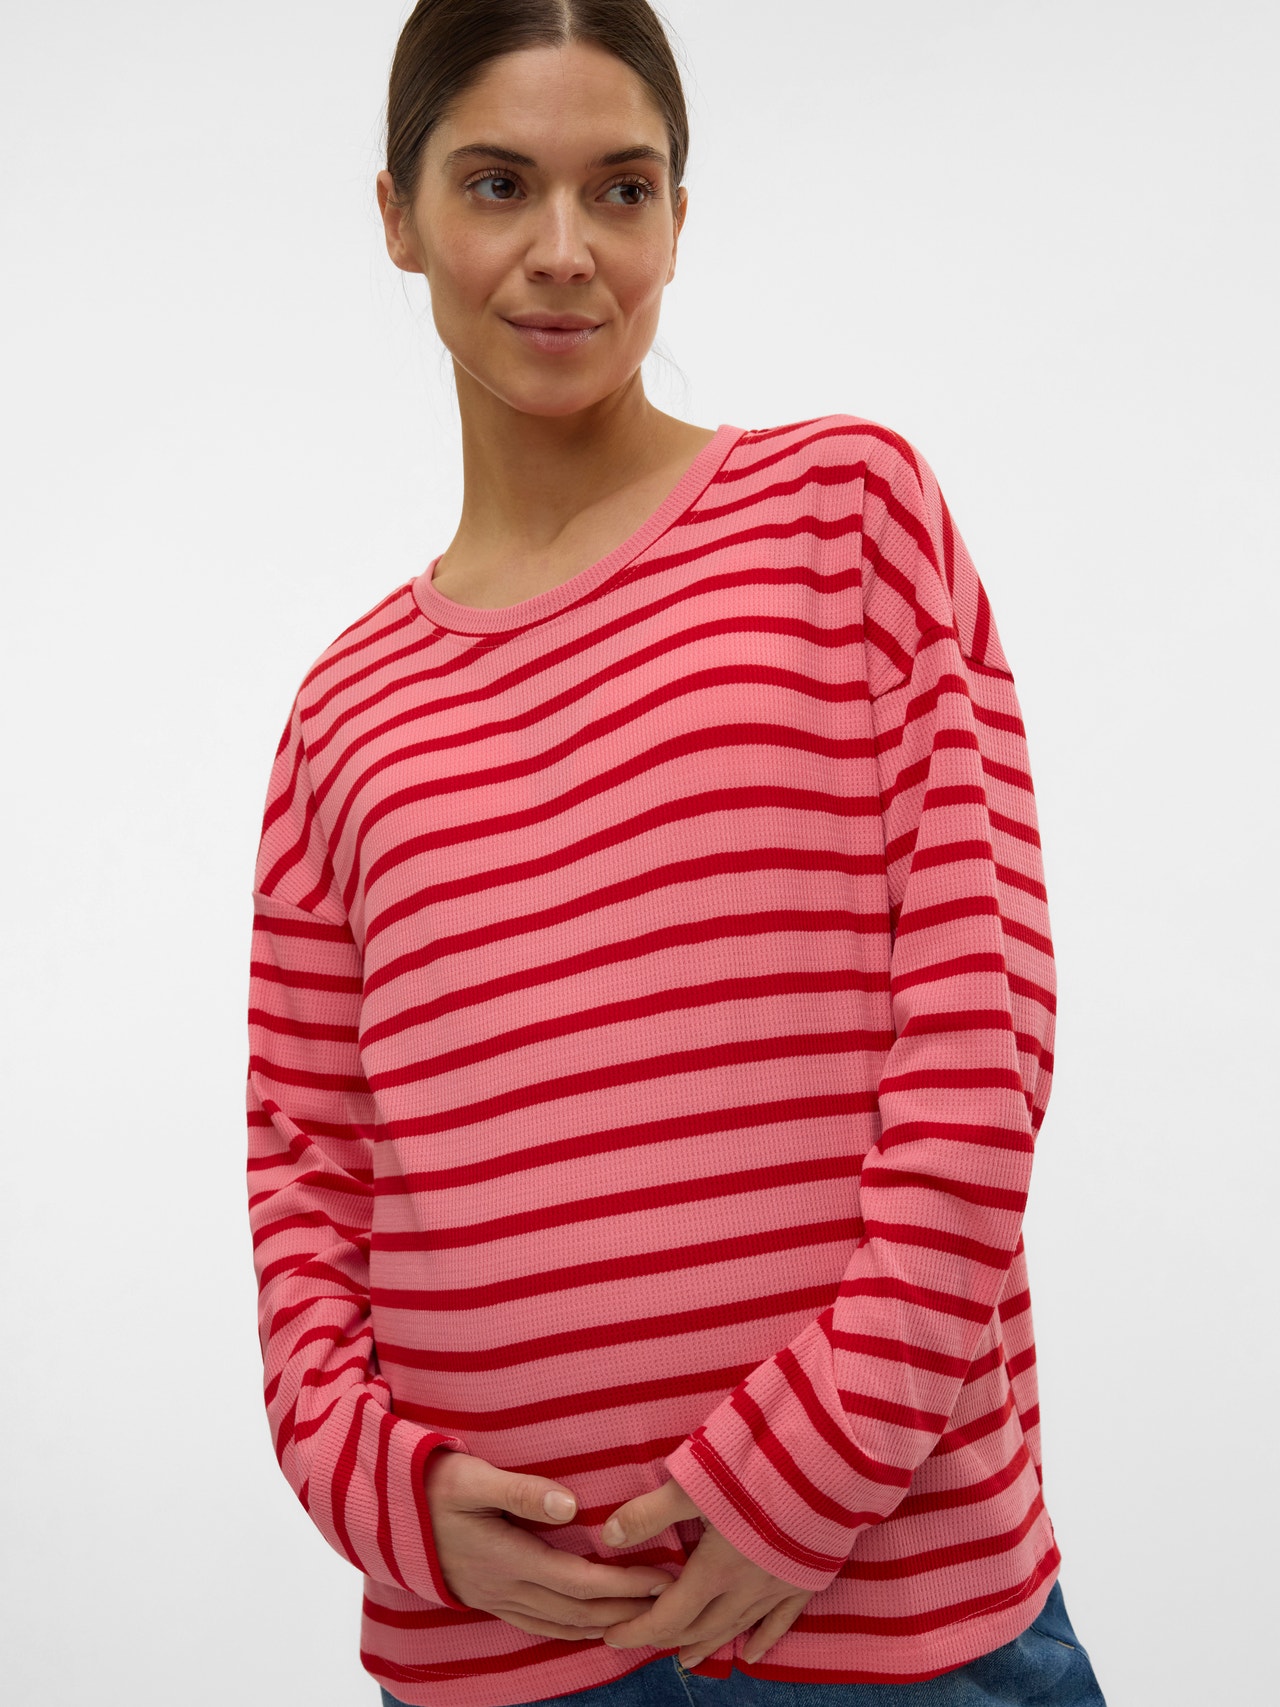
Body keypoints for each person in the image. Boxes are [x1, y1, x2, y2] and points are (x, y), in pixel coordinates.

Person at [243, 4, 1108, 1704]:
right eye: (499, 184)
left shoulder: (847, 519)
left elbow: (982, 1041)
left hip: (885, 1617)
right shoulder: (343, 713)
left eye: (622, 189)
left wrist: (812, 1474)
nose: (565, 250)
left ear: (678, 219)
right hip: (499, 1651)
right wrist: (386, 1494)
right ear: (399, 215)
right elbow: (304, 1174)